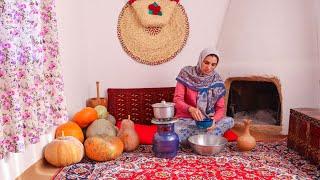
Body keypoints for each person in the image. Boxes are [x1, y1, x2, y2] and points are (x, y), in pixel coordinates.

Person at [173, 48, 234, 146]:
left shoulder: (217, 80)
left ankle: (192, 139)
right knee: (174, 127)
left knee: (230, 121)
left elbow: (220, 108)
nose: (209, 67)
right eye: (206, 62)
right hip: (186, 120)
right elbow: (177, 100)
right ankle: (208, 139)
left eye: (213, 64)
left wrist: (214, 120)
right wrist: (190, 109)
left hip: (207, 121)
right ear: (201, 60)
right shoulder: (186, 73)